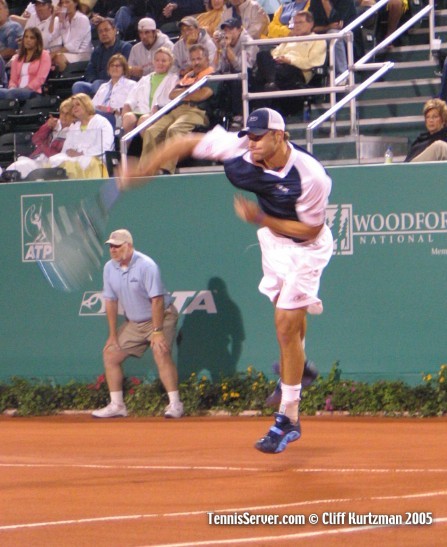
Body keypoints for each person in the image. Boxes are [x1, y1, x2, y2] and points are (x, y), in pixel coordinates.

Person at [120, 107, 333, 454]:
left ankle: (289, 417)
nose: (252, 142)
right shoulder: (238, 149)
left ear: (279, 136)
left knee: (284, 324)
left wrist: (259, 217)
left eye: (259, 136)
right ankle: (300, 369)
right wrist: (143, 168)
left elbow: (310, 230)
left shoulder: (311, 178)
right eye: (249, 135)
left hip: (306, 247)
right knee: (288, 324)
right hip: (273, 243)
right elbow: (184, 141)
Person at [92, 228, 184, 419]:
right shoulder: (109, 268)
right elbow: (110, 301)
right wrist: (112, 335)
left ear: (129, 246)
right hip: (135, 322)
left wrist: (157, 332)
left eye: (117, 246)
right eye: (111, 247)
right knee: (110, 354)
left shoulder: (147, 266)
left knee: (161, 352)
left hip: (161, 317)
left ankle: (176, 404)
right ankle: (117, 405)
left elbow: (157, 300)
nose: (113, 250)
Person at [139, 43, 215, 174]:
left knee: (174, 130)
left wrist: (184, 94)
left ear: (207, 59)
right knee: (151, 131)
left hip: (197, 112)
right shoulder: (188, 77)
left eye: (199, 59)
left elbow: (202, 95)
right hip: (177, 110)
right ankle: (145, 172)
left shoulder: (213, 76)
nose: (195, 62)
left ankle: (166, 171)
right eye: (193, 59)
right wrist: (189, 94)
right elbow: (172, 94)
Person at [255, 11, 327, 91]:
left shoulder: (317, 40)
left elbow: (311, 62)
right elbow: (275, 53)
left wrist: (290, 61)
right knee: (262, 55)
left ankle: (272, 82)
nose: (297, 26)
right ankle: (273, 81)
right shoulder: (290, 38)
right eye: (295, 23)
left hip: (297, 70)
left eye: (300, 22)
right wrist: (278, 58)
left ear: (311, 24)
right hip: (279, 65)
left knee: (280, 70)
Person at [48, 92, 114, 178]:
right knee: (54, 160)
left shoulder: (101, 122)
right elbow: (66, 148)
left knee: (85, 161)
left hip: (97, 159)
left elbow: (105, 146)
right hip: (74, 158)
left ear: (86, 104)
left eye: (77, 104)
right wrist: (70, 152)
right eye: (73, 106)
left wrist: (82, 153)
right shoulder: (74, 126)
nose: (74, 108)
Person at [5, 98, 74, 179]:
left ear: (73, 115)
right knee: (13, 168)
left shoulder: (73, 131)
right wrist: (47, 126)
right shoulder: (54, 123)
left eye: (67, 114)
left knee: (21, 167)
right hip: (37, 158)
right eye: (62, 113)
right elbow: (35, 139)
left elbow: (56, 155)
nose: (64, 117)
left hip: (51, 164)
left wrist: (42, 146)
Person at [122, 46, 178, 134]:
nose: (160, 63)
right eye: (157, 60)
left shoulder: (173, 79)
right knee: (128, 117)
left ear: (170, 63)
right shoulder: (145, 79)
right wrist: (127, 106)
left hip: (158, 113)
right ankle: (126, 147)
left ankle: (145, 147)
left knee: (144, 120)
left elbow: (171, 100)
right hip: (140, 111)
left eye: (164, 61)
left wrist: (159, 108)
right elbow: (131, 98)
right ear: (153, 62)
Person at [214, 17, 258, 130]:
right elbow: (218, 67)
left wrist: (228, 48)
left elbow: (241, 67)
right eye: (226, 30)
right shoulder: (224, 42)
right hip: (231, 77)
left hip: (250, 78)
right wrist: (218, 48)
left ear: (239, 29)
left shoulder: (248, 42)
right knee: (214, 78)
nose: (227, 33)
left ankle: (239, 116)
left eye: (231, 30)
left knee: (238, 77)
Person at [72, 18, 132, 97]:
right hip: (97, 84)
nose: (103, 33)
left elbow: (125, 70)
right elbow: (90, 71)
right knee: (78, 86)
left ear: (114, 31)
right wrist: (93, 81)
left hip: (116, 83)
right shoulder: (97, 51)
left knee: (98, 85)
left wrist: (104, 83)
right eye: (100, 32)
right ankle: (85, 108)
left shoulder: (125, 47)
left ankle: (101, 108)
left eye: (106, 30)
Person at [0, 27, 51, 100]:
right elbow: (13, 80)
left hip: (33, 92)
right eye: (26, 37)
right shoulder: (17, 58)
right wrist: (12, 87)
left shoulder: (44, 55)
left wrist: (26, 88)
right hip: (15, 91)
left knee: (12, 94)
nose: (28, 40)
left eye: (32, 38)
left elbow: (40, 78)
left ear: (37, 41)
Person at [309, 0, 358, 77]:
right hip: (322, 35)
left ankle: (342, 76)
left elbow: (337, 23)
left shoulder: (346, 1)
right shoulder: (315, 2)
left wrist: (325, 2)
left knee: (333, 34)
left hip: (348, 36)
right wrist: (327, 27)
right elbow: (310, 26)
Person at [92, 54, 137, 129]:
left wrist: (109, 109)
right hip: (97, 117)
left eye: (118, 66)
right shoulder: (103, 87)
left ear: (124, 69)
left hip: (116, 118)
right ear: (108, 69)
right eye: (112, 65)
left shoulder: (131, 85)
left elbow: (132, 109)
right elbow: (92, 106)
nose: (114, 68)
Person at [49, 0, 93, 72]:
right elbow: (51, 36)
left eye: (67, 2)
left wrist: (54, 53)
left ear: (75, 3)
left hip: (82, 53)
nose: (64, 5)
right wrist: (53, 17)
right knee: (47, 55)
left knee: (58, 57)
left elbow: (74, 45)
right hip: (70, 52)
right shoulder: (64, 20)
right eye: (62, 3)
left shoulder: (82, 19)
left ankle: (66, 80)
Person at [404, 98, 447, 163]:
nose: (430, 120)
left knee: (439, 146)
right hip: (413, 170)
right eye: (428, 117)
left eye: (435, 117)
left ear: (443, 120)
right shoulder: (420, 140)